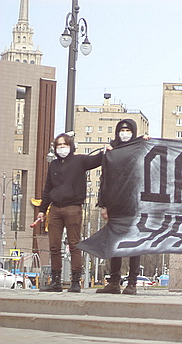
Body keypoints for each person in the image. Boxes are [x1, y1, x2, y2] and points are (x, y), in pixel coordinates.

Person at [38, 133, 105, 292]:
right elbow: (48, 188)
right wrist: (42, 210)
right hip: (55, 208)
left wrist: (107, 150)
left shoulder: (79, 161)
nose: (62, 148)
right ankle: (56, 281)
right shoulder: (53, 165)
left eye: (65, 145)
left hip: (73, 207)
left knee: (74, 244)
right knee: (54, 246)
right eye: (59, 145)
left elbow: (97, 160)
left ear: (71, 146)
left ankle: (75, 282)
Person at [96, 119, 145, 295]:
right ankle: (114, 282)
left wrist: (148, 142)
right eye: (122, 130)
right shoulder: (111, 151)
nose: (124, 133)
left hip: (134, 204)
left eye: (128, 130)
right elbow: (104, 179)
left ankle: (132, 283)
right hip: (115, 204)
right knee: (115, 243)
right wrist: (103, 205)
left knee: (134, 244)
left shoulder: (140, 148)